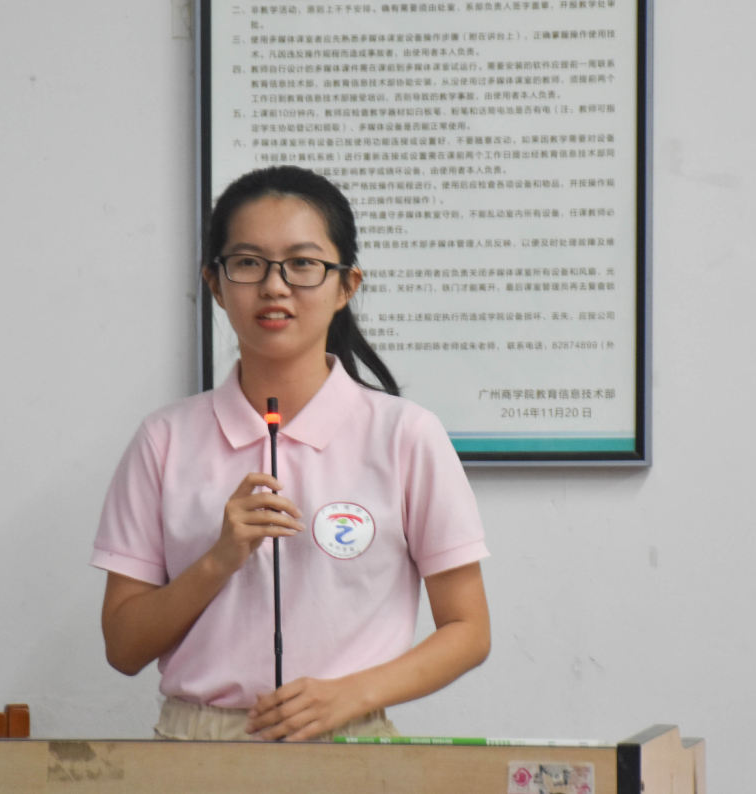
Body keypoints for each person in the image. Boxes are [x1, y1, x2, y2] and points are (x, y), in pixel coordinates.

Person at [91, 165, 490, 741]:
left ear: (346, 285)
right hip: (195, 747)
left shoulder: (406, 435)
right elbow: (123, 647)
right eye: (248, 263)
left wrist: (353, 694)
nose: (275, 287)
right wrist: (218, 559)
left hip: (352, 742)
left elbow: (469, 629)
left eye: (302, 264)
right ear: (215, 283)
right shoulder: (164, 440)